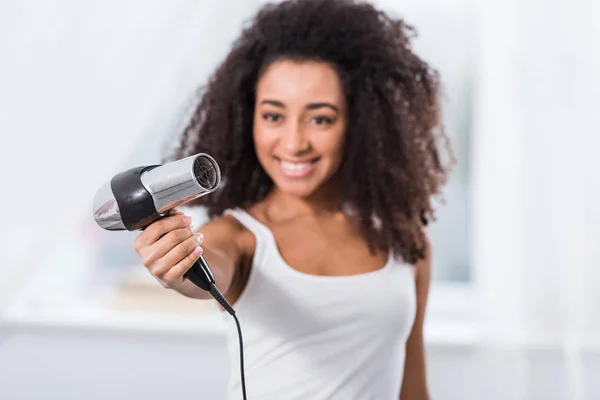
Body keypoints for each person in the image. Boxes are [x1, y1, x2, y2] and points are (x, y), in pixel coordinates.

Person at [132, 0, 453, 398]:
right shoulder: (238, 237)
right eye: (273, 116)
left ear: (362, 121)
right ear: (246, 118)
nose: (294, 143)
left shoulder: (407, 242)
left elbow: (413, 388)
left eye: (320, 118)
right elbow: (209, 267)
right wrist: (177, 266)